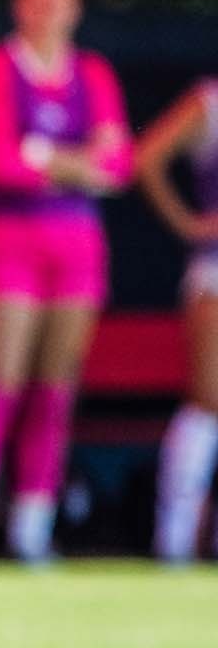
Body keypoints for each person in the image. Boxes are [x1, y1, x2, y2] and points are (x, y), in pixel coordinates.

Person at [0, 0, 132, 565]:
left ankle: (31, 530)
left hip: (76, 246)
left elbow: (119, 165)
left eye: (60, 0)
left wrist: (44, 155)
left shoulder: (93, 74)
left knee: (54, 393)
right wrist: (76, 163)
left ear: (75, 8)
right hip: (10, 241)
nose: (48, 11)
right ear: (19, 6)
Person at [136, 76, 218, 562]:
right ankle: (175, 543)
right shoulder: (210, 103)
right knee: (209, 403)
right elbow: (147, 157)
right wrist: (190, 223)